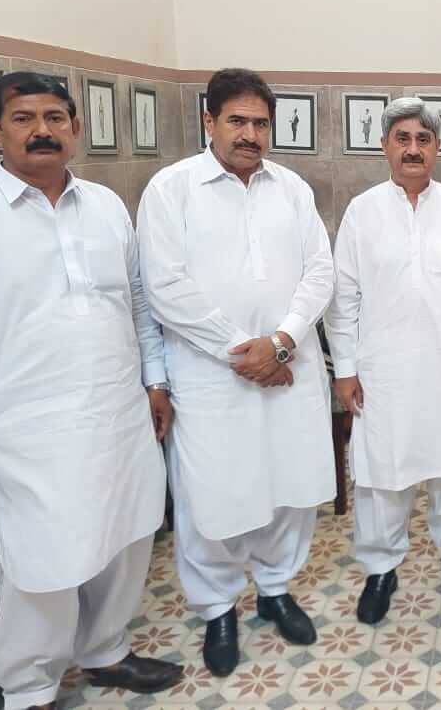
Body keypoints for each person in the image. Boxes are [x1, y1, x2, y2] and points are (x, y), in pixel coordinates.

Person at [0, 72, 182, 710]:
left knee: (127, 536)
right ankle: (28, 687)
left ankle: (106, 652)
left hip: (116, 411)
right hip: (20, 429)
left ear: (76, 129)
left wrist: (155, 380)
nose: (42, 131)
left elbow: (138, 306)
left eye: (56, 117)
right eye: (23, 118)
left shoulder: (107, 206)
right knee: (41, 565)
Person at [137, 68, 336, 676]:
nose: (250, 134)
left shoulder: (292, 188)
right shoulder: (171, 190)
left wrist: (280, 341)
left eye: (259, 123)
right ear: (209, 121)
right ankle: (218, 609)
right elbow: (164, 286)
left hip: (288, 366)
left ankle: (277, 589)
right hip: (210, 375)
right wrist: (240, 350)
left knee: (289, 487)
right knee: (212, 494)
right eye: (237, 121)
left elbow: (319, 272)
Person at [325, 96, 441, 625]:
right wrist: (345, 370)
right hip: (384, 371)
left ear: (437, 149)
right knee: (383, 474)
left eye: (423, 140)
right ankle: (381, 569)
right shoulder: (362, 212)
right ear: (384, 147)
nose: (412, 149)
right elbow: (345, 300)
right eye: (402, 139)